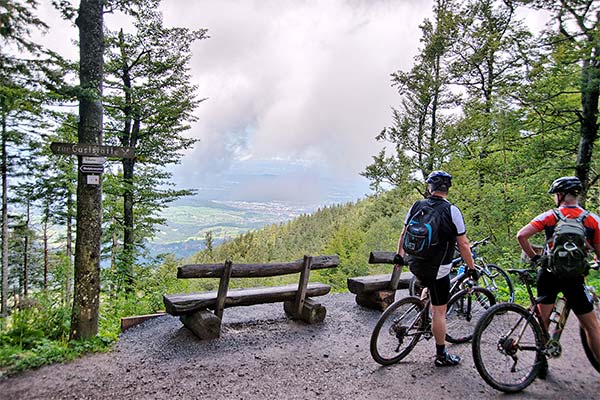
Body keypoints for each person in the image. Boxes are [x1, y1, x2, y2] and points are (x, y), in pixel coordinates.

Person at [517, 176, 600, 366]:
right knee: (591, 327)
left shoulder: (550, 216)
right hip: (574, 278)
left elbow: (521, 235)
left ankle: (540, 363)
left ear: (560, 195)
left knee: (542, 322)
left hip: (548, 273)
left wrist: (536, 258)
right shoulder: (592, 219)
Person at [395, 170, 476, 367]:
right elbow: (464, 245)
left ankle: (422, 315)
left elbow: (404, 232)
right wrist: (471, 267)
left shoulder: (417, 205)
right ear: (447, 189)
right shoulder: (452, 211)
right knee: (440, 312)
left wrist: (399, 256)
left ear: (430, 187)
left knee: (427, 286)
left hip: (415, 262)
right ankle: (441, 355)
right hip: (438, 267)